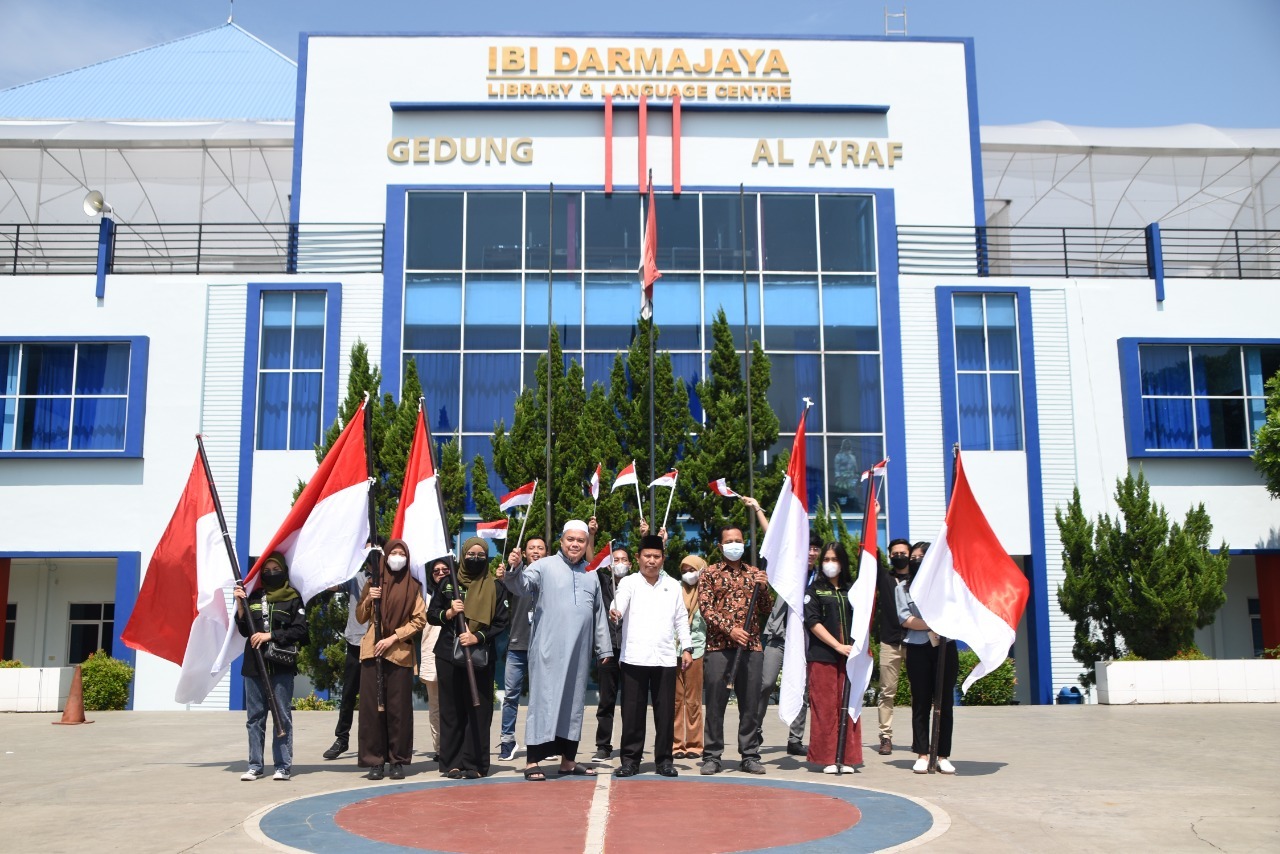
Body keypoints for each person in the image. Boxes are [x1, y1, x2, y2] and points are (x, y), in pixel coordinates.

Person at [504, 520, 614, 781]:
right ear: (561, 542)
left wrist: (604, 648)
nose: (575, 544)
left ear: (586, 543)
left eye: (581, 540)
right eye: (570, 540)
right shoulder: (543, 566)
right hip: (548, 650)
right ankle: (532, 762)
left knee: (573, 704)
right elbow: (520, 587)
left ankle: (568, 760)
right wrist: (516, 567)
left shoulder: (591, 573)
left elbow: (598, 613)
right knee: (544, 701)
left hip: (579, 651)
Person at [609, 534, 693, 778]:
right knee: (632, 712)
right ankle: (630, 761)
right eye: (647, 556)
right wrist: (615, 611)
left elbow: (681, 619)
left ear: (663, 559)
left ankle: (665, 760)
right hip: (635, 657)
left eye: (657, 556)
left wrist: (686, 647)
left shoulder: (674, 586)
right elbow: (619, 603)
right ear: (638, 558)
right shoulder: (629, 583)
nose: (652, 561)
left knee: (665, 712)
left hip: (665, 658)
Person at [428, 537, 510, 779]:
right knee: (451, 710)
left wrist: (478, 637)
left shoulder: (495, 586)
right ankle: (452, 762)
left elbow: (502, 621)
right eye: (471, 554)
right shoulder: (449, 583)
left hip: (480, 655)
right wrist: (450, 612)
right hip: (448, 654)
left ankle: (475, 763)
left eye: (480, 555)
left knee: (479, 708)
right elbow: (432, 615)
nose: (475, 558)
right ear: (463, 555)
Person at [698, 525, 774, 776]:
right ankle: (712, 755)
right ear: (720, 546)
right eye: (729, 541)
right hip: (719, 647)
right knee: (715, 702)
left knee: (750, 703)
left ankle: (750, 754)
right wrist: (730, 629)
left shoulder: (755, 574)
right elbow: (706, 610)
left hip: (751, 648)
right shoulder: (709, 573)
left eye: (738, 540)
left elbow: (766, 609)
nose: (734, 545)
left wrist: (764, 588)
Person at [749, 493, 817, 757]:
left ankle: (795, 738)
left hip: (805, 640)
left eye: (815, 549)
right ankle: (754, 731)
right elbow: (773, 538)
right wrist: (758, 510)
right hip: (777, 636)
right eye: (808, 547)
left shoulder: (820, 575)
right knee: (764, 684)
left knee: (801, 689)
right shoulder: (791, 567)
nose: (811, 552)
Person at [356, 539, 426, 781]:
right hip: (372, 652)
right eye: (393, 553)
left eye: (401, 553)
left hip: (399, 654)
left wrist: (393, 637)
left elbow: (419, 620)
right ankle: (375, 761)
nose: (397, 557)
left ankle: (397, 760)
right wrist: (368, 599)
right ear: (385, 556)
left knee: (398, 711)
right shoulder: (372, 582)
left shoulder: (413, 586)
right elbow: (360, 615)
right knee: (371, 710)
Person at [234, 552, 307, 782]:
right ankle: (255, 765)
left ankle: (283, 766)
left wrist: (271, 636)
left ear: (284, 571)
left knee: (282, 716)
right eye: (267, 570)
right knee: (254, 717)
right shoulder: (253, 597)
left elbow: (301, 632)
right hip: (254, 666)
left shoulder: (293, 597)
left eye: (276, 570)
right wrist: (240, 606)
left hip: (281, 667)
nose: (272, 574)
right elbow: (245, 630)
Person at [897, 541, 958, 775]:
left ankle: (942, 755)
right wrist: (934, 624)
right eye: (913, 557)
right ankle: (922, 753)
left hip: (945, 646)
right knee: (920, 701)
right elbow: (905, 619)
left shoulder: (947, 587)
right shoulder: (902, 588)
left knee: (944, 703)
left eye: (921, 556)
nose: (916, 560)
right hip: (918, 647)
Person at [803, 542, 862, 773]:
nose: (830, 564)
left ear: (843, 563)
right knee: (825, 707)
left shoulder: (852, 590)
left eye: (834, 560)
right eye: (826, 559)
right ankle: (827, 757)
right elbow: (812, 622)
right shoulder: (814, 590)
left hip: (851, 657)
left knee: (848, 705)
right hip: (823, 656)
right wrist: (837, 645)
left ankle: (847, 757)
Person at [496, 535, 546, 762]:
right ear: (524, 553)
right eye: (531, 548)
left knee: (543, 697)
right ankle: (507, 740)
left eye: (540, 548)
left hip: (543, 647)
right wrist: (509, 568)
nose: (536, 551)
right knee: (511, 696)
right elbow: (505, 585)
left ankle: (543, 742)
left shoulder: (551, 576)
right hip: (517, 645)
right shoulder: (516, 575)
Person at [323, 560, 369, 761]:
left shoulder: (389, 579)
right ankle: (342, 738)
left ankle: (372, 742)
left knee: (375, 698)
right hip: (355, 642)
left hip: (380, 644)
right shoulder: (356, 577)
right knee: (349, 693)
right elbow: (333, 585)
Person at [593, 543, 631, 761]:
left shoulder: (636, 584)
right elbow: (590, 562)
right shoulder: (602, 582)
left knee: (630, 701)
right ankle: (603, 745)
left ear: (630, 563)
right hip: (608, 649)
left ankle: (629, 746)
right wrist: (592, 535)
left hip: (631, 650)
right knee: (606, 700)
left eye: (623, 560)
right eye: (615, 560)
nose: (619, 564)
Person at [876, 538, 913, 755]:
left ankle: (921, 737)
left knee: (919, 691)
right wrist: (873, 515)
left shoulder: (917, 579)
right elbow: (870, 554)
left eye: (903, 553)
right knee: (887, 692)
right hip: (889, 642)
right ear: (890, 555)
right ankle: (885, 737)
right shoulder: (885, 578)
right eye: (895, 553)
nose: (899, 556)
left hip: (915, 641)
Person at [672, 554, 707, 760]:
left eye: (692, 570)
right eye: (684, 570)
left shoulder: (707, 591)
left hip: (697, 650)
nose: (688, 574)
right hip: (673, 651)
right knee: (675, 701)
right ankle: (676, 744)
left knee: (693, 700)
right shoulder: (675, 588)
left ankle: (694, 744)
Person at [418, 559, 451, 763]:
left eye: (445, 569)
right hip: (431, 654)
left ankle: (455, 745)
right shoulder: (424, 596)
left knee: (454, 705)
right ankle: (440, 748)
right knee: (436, 707)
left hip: (454, 654)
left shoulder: (458, 592)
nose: (440, 573)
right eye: (436, 570)